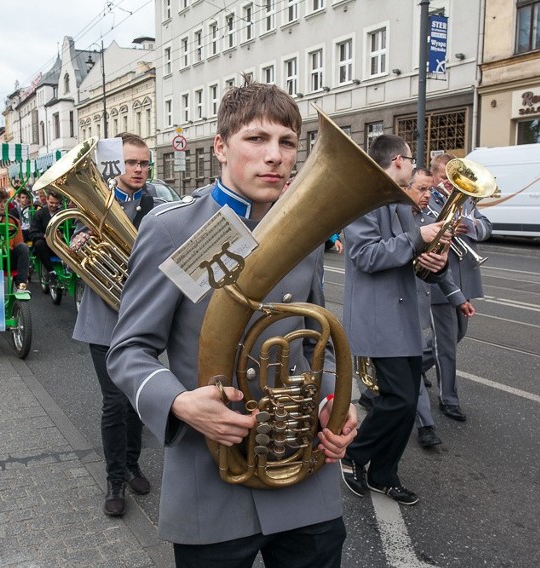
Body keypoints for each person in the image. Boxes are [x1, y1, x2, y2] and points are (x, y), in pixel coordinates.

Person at [107, 82, 358, 567]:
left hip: (300, 472)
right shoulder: (175, 228)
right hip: (213, 476)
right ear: (221, 147)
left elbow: (316, 347)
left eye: (287, 142)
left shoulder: (306, 226)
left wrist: (336, 401)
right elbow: (130, 349)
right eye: (257, 139)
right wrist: (179, 403)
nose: (276, 156)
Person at [338, 135, 449, 506]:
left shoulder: (402, 201)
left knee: (403, 403)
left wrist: (435, 263)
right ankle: (355, 454)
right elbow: (367, 256)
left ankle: (385, 474)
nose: (414, 164)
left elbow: (410, 259)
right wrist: (418, 239)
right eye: (411, 159)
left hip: (401, 315)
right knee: (399, 399)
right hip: (377, 317)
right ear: (399, 161)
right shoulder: (365, 199)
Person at [70, 132, 163, 517]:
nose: (138, 169)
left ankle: (133, 462)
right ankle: (115, 479)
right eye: (130, 162)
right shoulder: (95, 205)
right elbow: (76, 254)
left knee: (136, 404)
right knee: (114, 403)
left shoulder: (156, 207)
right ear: (116, 165)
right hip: (104, 319)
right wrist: (79, 243)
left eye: (143, 163)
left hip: (142, 318)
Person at [426, 154, 490, 422]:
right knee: (447, 345)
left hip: (466, 278)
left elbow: (488, 227)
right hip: (442, 281)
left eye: (454, 180)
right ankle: (448, 399)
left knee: (456, 336)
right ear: (434, 177)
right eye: (445, 178)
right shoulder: (428, 201)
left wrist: (472, 225)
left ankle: (412, 366)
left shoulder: (468, 200)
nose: (451, 185)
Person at [28, 191, 63, 281]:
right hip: (46, 245)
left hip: (60, 244)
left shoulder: (62, 213)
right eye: (51, 202)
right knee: (39, 244)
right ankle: (51, 271)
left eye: (56, 203)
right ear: (47, 200)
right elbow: (32, 233)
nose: (54, 205)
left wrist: (62, 235)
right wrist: (45, 235)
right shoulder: (39, 214)